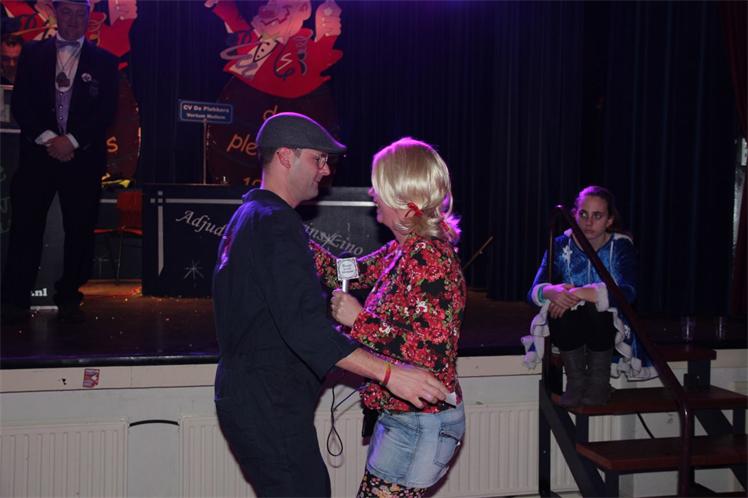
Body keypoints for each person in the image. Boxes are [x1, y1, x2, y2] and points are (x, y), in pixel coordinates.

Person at [212, 114, 449, 498]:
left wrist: (359, 323)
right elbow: (304, 325)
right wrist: (390, 374)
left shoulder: (254, 217)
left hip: (263, 401)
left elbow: (429, 342)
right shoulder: (274, 223)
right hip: (268, 402)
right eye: (318, 159)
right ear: (285, 156)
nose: (325, 171)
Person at [312, 137, 466, 498]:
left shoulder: (429, 258)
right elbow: (346, 271)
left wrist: (359, 320)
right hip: (405, 419)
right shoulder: (404, 249)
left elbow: (432, 353)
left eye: (378, 186)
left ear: (403, 202)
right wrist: (291, 235)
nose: (372, 193)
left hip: (420, 425)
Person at [0, 0, 119, 324]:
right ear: (55, 14)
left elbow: (106, 111)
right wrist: (49, 138)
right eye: (66, 12)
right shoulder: (32, 54)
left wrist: (73, 140)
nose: (72, 20)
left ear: (88, 17)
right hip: (38, 156)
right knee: (26, 227)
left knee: (79, 229)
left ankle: (69, 293)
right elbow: (21, 104)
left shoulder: (105, 62)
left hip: (83, 159)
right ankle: (15, 297)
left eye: (79, 14)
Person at [524, 185, 653, 408]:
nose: (588, 222)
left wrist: (580, 292)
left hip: (609, 327)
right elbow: (533, 291)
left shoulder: (620, 246)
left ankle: (599, 382)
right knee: (557, 306)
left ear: (609, 220)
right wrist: (551, 292)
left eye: (597, 216)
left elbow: (629, 292)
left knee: (597, 308)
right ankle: (576, 382)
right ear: (574, 215)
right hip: (570, 325)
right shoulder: (561, 244)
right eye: (583, 214)